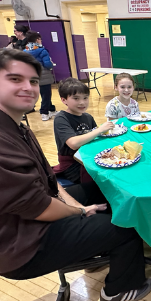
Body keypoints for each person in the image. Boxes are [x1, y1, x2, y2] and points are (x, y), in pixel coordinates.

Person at [0, 48, 151, 301]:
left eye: (33, 81)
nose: (29, 88)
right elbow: (38, 208)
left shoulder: (14, 126)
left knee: (106, 193)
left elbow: (49, 182)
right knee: (125, 223)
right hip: (22, 245)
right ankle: (118, 290)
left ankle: (97, 248)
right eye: (15, 79)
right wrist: (81, 212)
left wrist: (79, 205)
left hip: (32, 220)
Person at [53, 77, 115, 205]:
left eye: (85, 98)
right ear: (64, 100)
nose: (82, 102)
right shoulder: (61, 118)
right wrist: (99, 130)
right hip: (73, 165)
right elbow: (73, 143)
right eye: (76, 98)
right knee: (104, 178)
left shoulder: (87, 117)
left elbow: (96, 138)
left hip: (88, 157)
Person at [23, 31, 57, 120]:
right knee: (46, 94)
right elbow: (47, 64)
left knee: (42, 94)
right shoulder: (42, 50)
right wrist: (51, 65)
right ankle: (44, 112)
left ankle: (51, 109)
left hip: (31, 76)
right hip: (43, 76)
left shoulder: (25, 51)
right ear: (37, 40)